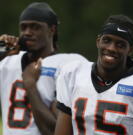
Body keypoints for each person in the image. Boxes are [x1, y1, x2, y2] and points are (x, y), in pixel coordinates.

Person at [54, 14, 133, 135]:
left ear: (130, 50)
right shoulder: (73, 74)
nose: (111, 48)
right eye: (107, 40)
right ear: (98, 41)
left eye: (120, 44)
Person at [0, 2, 87, 135]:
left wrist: (30, 85)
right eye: (23, 27)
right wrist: (1, 52)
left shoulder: (66, 65)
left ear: (52, 29)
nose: (28, 32)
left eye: (36, 27)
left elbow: (54, 131)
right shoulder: (8, 62)